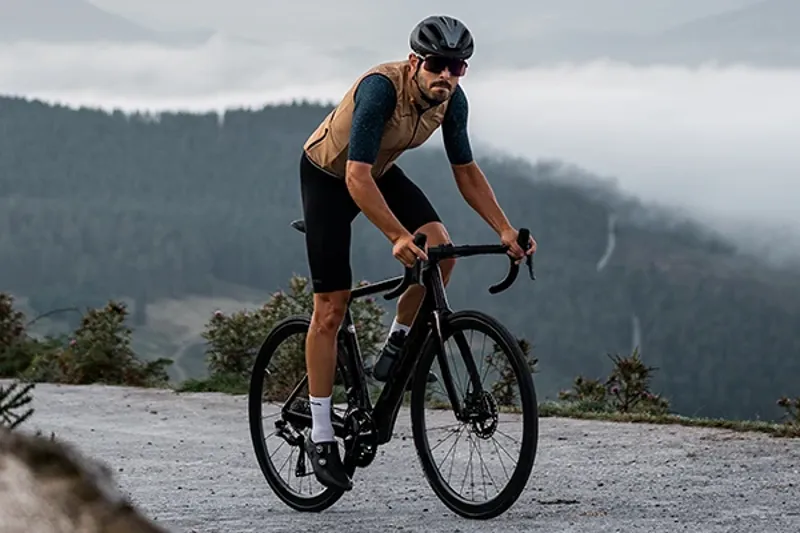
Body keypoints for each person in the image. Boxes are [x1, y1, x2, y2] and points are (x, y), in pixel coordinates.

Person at [298, 14, 537, 491]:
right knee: (329, 310)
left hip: (378, 171)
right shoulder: (380, 90)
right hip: (330, 177)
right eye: (438, 64)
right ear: (415, 63)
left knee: (441, 249)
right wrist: (396, 236)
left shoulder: (452, 102)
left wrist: (506, 229)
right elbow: (355, 177)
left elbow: (466, 171)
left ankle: (398, 342)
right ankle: (322, 433)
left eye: (458, 67)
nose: (447, 75)